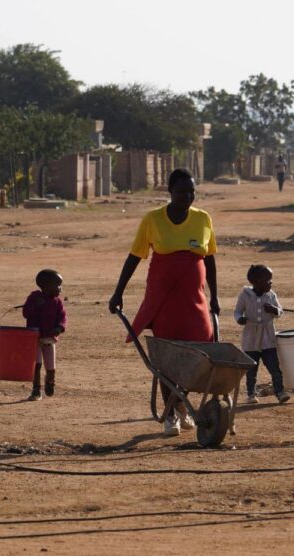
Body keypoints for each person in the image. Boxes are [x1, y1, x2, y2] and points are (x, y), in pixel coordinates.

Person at [108, 168, 220, 436]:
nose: (188, 196)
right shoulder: (153, 220)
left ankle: (182, 406)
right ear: (170, 192)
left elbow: (210, 259)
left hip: (194, 300)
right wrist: (118, 292)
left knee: (198, 354)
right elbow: (135, 256)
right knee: (167, 358)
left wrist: (214, 297)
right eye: (182, 191)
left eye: (192, 191)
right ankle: (170, 415)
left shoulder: (203, 219)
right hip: (164, 299)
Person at [234, 264, 290, 404]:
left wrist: (274, 310)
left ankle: (280, 392)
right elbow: (237, 311)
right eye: (268, 280)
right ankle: (251, 395)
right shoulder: (245, 295)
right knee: (251, 368)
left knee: (274, 367)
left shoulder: (271, 295)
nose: (271, 282)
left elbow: (280, 312)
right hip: (250, 337)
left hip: (267, 337)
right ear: (256, 281)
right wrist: (240, 319)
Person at [22, 269, 66, 401]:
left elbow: (63, 317)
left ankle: (50, 382)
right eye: (58, 285)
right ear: (46, 286)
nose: (60, 288)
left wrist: (60, 327)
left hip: (49, 338)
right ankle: (36, 390)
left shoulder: (57, 302)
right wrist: (36, 306)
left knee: (50, 365)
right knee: (36, 364)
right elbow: (26, 313)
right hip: (34, 338)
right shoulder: (34, 297)